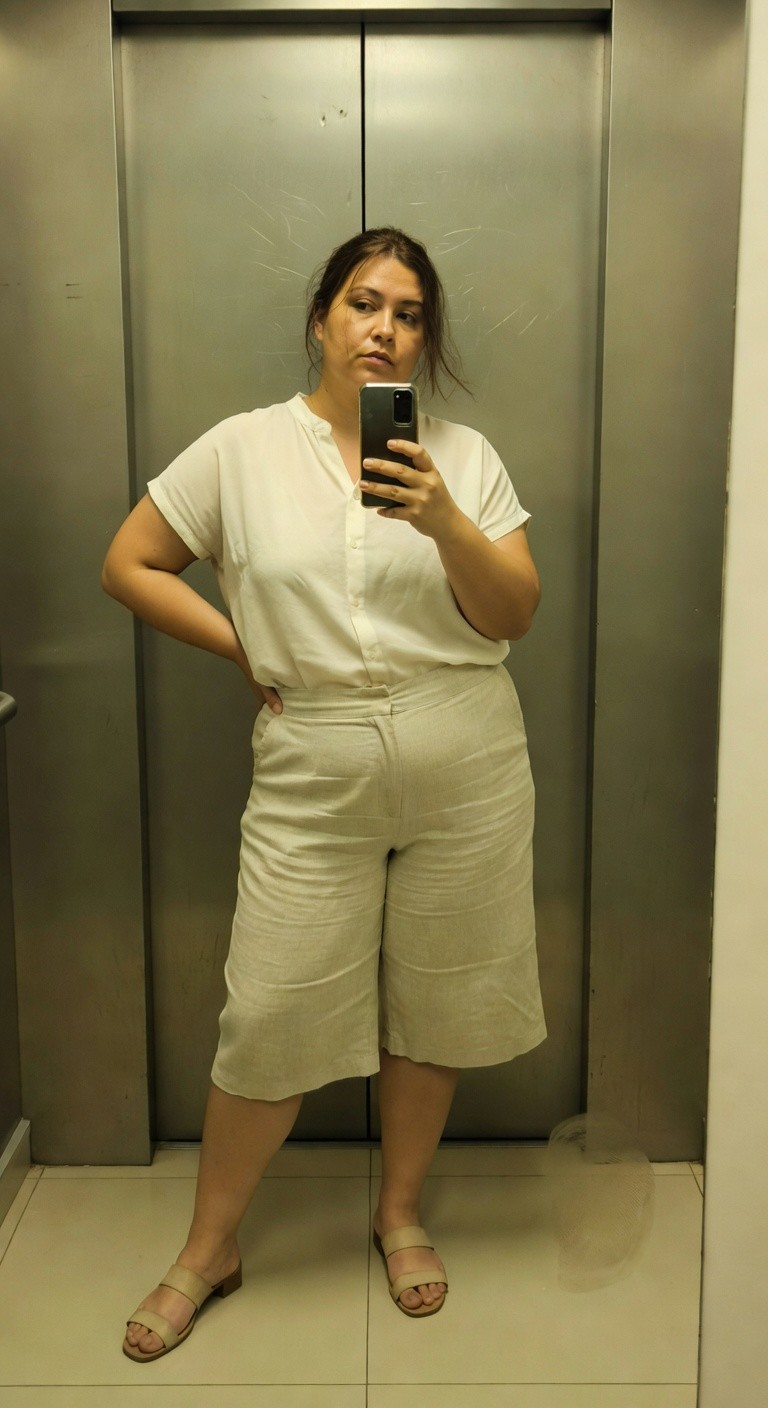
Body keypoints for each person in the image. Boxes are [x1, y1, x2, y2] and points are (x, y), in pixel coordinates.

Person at [102, 226, 547, 1361]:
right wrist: (242, 643)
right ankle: (212, 1245)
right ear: (322, 319)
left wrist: (443, 515)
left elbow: (512, 614)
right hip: (315, 759)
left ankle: (399, 1211)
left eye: (406, 313)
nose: (383, 327)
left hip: (467, 756)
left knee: (437, 999)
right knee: (270, 1010)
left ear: (422, 340)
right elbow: (131, 563)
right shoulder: (240, 451)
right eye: (364, 302)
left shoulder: (464, 455)